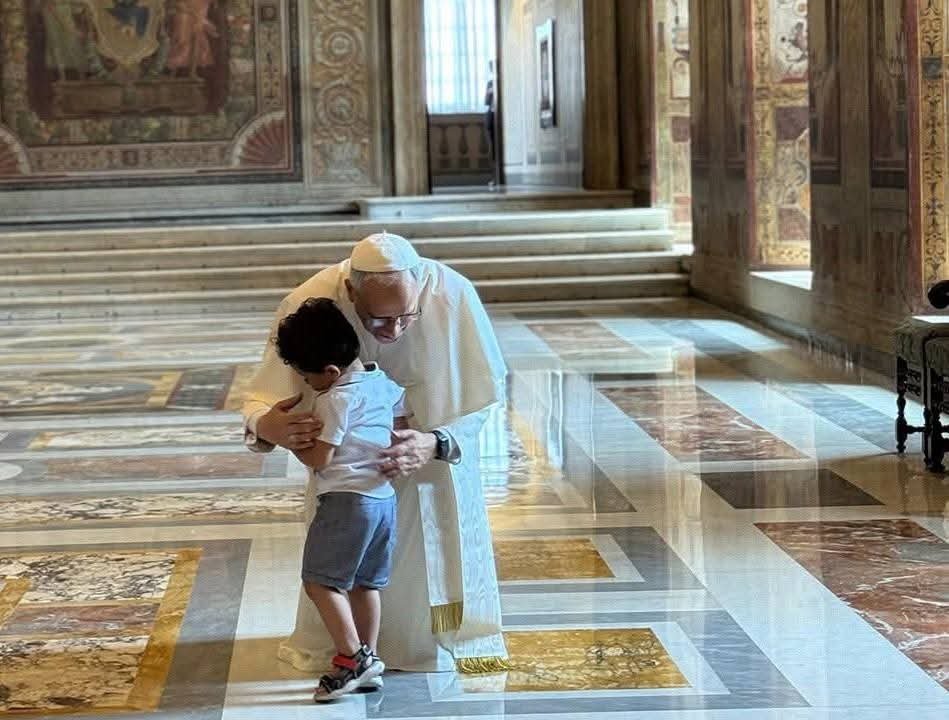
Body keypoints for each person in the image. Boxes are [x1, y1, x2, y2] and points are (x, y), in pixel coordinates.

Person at [242, 232, 509, 675]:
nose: (394, 332)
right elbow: (261, 399)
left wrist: (435, 440)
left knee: (410, 569)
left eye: (406, 316)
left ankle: (406, 647)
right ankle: (355, 652)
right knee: (351, 573)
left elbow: (484, 397)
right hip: (347, 485)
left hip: (433, 473)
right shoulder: (310, 301)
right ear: (350, 293)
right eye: (378, 320)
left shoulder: (453, 294)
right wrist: (267, 425)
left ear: (420, 285)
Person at [272, 297, 408, 701]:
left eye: (306, 375)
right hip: (382, 500)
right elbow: (402, 419)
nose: (307, 383)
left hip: (346, 502)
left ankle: (352, 658)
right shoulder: (380, 380)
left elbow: (321, 458)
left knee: (320, 582)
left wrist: (292, 442)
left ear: (330, 372)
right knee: (366, 584)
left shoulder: (335, 399)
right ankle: (370, 660)